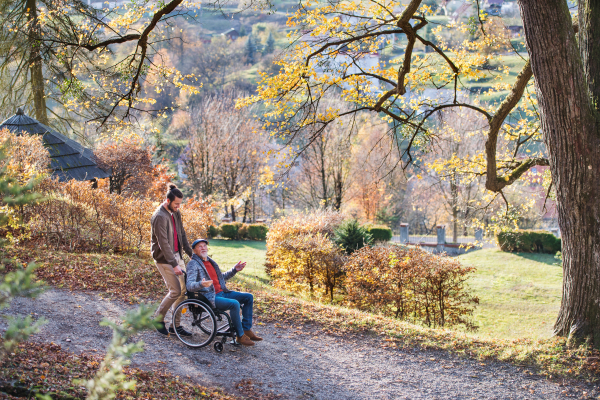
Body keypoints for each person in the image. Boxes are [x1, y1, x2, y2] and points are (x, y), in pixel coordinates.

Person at [186, 238, 263, 346]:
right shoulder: (193, 264)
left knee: (248, 297)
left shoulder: (210, 262)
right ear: (194, 250)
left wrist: (234, 270)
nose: (203, 248)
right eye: (200, 246)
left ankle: (246, 329)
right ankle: (240, 336)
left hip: (222, 292)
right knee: (234, 304)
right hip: (209, 297)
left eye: (204, 245)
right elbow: (189, 285)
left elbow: (220, 278)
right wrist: (201, 284)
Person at [150, 184, 194, 337]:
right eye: (176, 204)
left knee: (183, 291)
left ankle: (175, 326)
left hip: (177, 255)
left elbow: (182, 234)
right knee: (175, 290)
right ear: (167, 201)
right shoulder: (159, 217)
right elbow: (163, 244)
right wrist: (174, 265)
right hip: (164, 259)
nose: (178, 207)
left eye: (180, 204)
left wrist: (191, 254)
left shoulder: (176, 213)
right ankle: (158, 319)